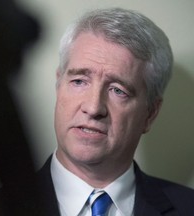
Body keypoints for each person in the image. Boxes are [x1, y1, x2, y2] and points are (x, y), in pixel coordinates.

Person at [36, 7, 194, 216]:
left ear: (150, 113)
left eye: (118, 90)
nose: (93, 108)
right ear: (59, 84)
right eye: (79, 81)